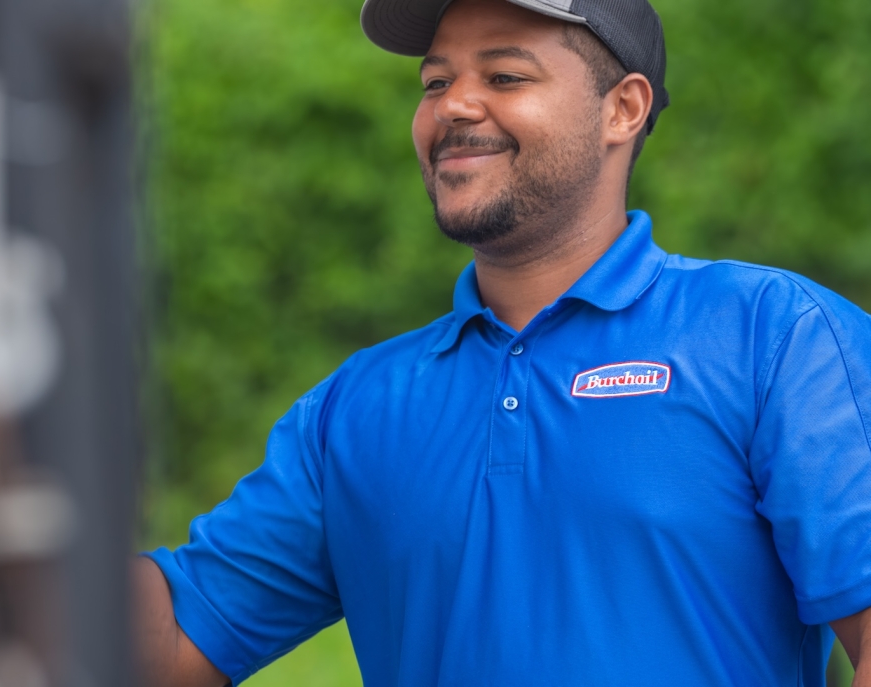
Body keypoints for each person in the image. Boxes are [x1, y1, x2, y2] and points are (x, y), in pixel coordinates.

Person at [133, 0, 871, 684]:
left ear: (623, 108)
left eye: (505, 74)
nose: (452, 105)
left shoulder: (775, 337)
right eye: (434, 81)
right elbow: (170, 649)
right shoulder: (355, 409)